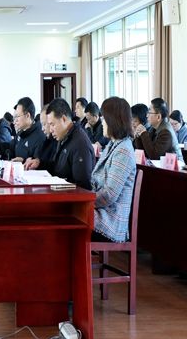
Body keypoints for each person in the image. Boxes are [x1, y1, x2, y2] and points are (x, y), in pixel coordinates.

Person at [91, 97, 137, 242]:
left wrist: (85, 202)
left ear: (113, 121)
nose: (102, 122)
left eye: (104, 119)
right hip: (101, 211)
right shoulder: (113, 144)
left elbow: (110, 194)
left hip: (110, 218)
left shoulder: (123, 150)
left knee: (69, 218)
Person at [45, 98, 94, 189]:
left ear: (63, 119)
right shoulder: (63, 136)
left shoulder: (80, 143)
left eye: (52, 124)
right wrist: (39, 163)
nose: (51, 130)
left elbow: (83, 187)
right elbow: (57, 168)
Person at [10, 97, 45, 162]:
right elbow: (10, 147)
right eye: (14, 117)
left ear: (27, 116)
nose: (15, 121)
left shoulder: (40, 136)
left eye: (17, 116)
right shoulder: (20, 132)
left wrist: (24, 161)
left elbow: (38, 163)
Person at [25, 105, 57, 170]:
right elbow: (40, 159)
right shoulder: (47, 140)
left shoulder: (58, 141)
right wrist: (32, 160)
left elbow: (54, 166)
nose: (42, 129)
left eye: (44, 124)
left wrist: (39, 164)